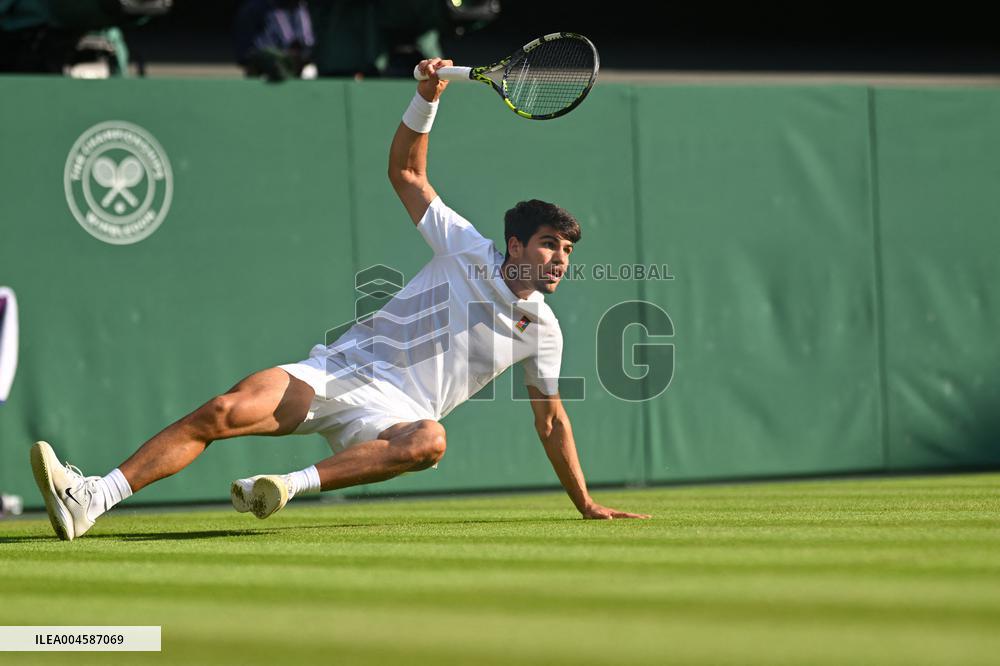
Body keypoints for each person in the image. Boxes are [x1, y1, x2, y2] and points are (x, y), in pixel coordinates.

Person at [30, 57, 650, 541]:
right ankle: (91, 498)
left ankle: (287, 486)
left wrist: (586, 503)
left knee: (430, 442)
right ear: (514, 243)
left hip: (393, 418)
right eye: (548, 245)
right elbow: (406, 173)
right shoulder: (466, 247)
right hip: (337, 371)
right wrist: (426, 98)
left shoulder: (542, 330)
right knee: (220, 411)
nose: (560, 259)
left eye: (567, 250)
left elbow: (552, 422)